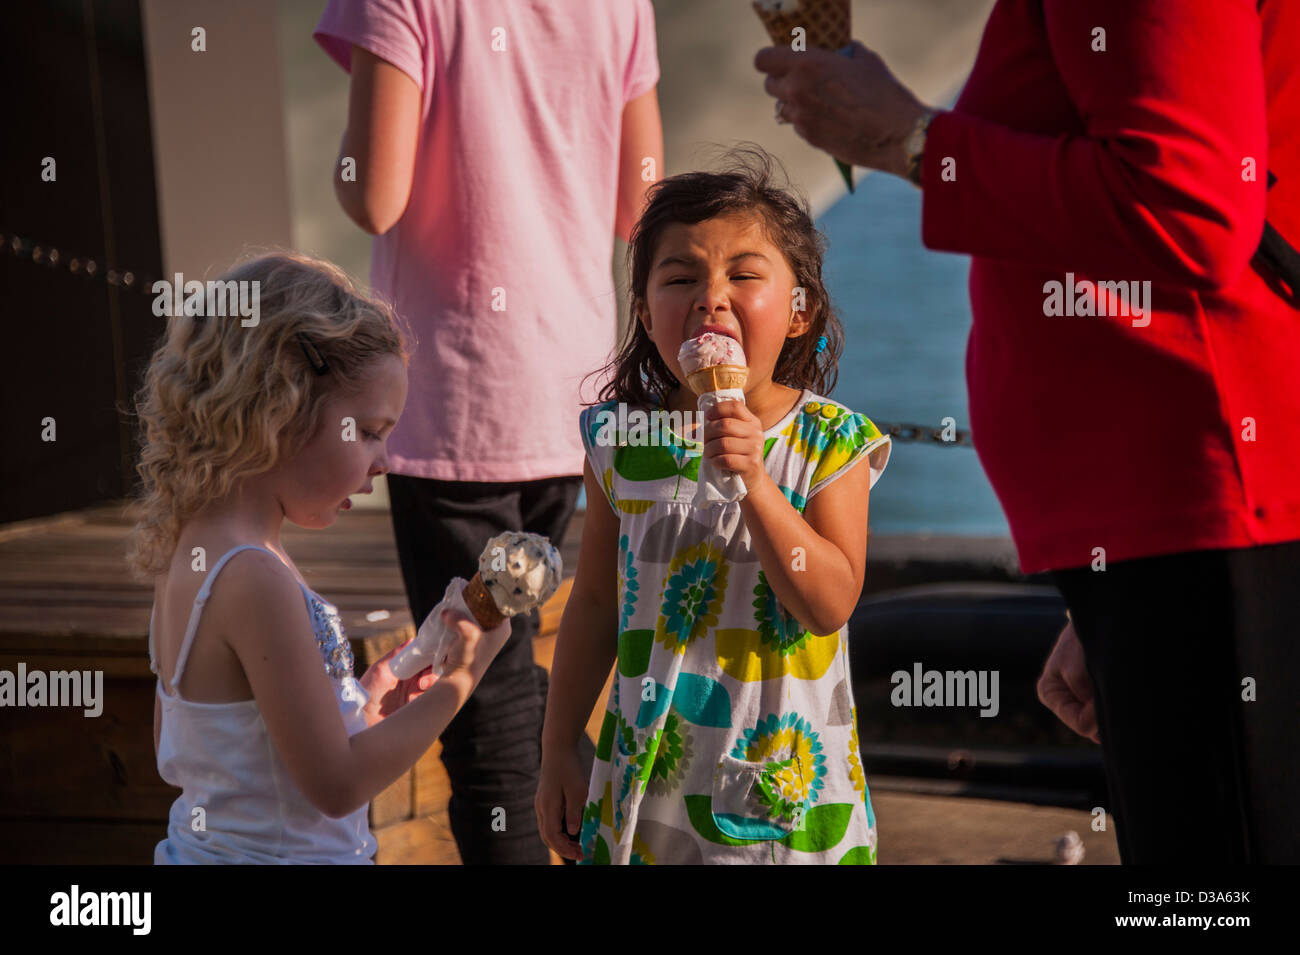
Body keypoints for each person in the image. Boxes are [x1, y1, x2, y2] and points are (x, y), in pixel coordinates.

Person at [755, 0, 1300, 863]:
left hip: (1210, 512)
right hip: (1188, 526)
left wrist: (912, 141)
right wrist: (1108, 582)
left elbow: (1188, 207)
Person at [314, 0, 664, 864]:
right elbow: (643, 202)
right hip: (572, 388)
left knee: (484, 706)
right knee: (512, 674)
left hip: (459, 394)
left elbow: (374, 193)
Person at [537, 149, 892, 864]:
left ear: (800, 313)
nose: (712, 297)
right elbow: (597, 603)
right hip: (645, 786)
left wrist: (754, 480)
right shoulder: (619, 442)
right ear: (643, 312)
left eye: (744, 275)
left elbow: (829, 600)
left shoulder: (830, 442)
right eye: (680, 277)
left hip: (784, 794)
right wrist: (557, 748)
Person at [128, 252, 510, 863]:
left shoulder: (202, 554)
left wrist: (364, 697)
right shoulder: (253, 576)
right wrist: (462, 681)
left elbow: (203, 746)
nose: (384, 461)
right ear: (279, 408)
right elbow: (335, 785)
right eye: (367, 432)